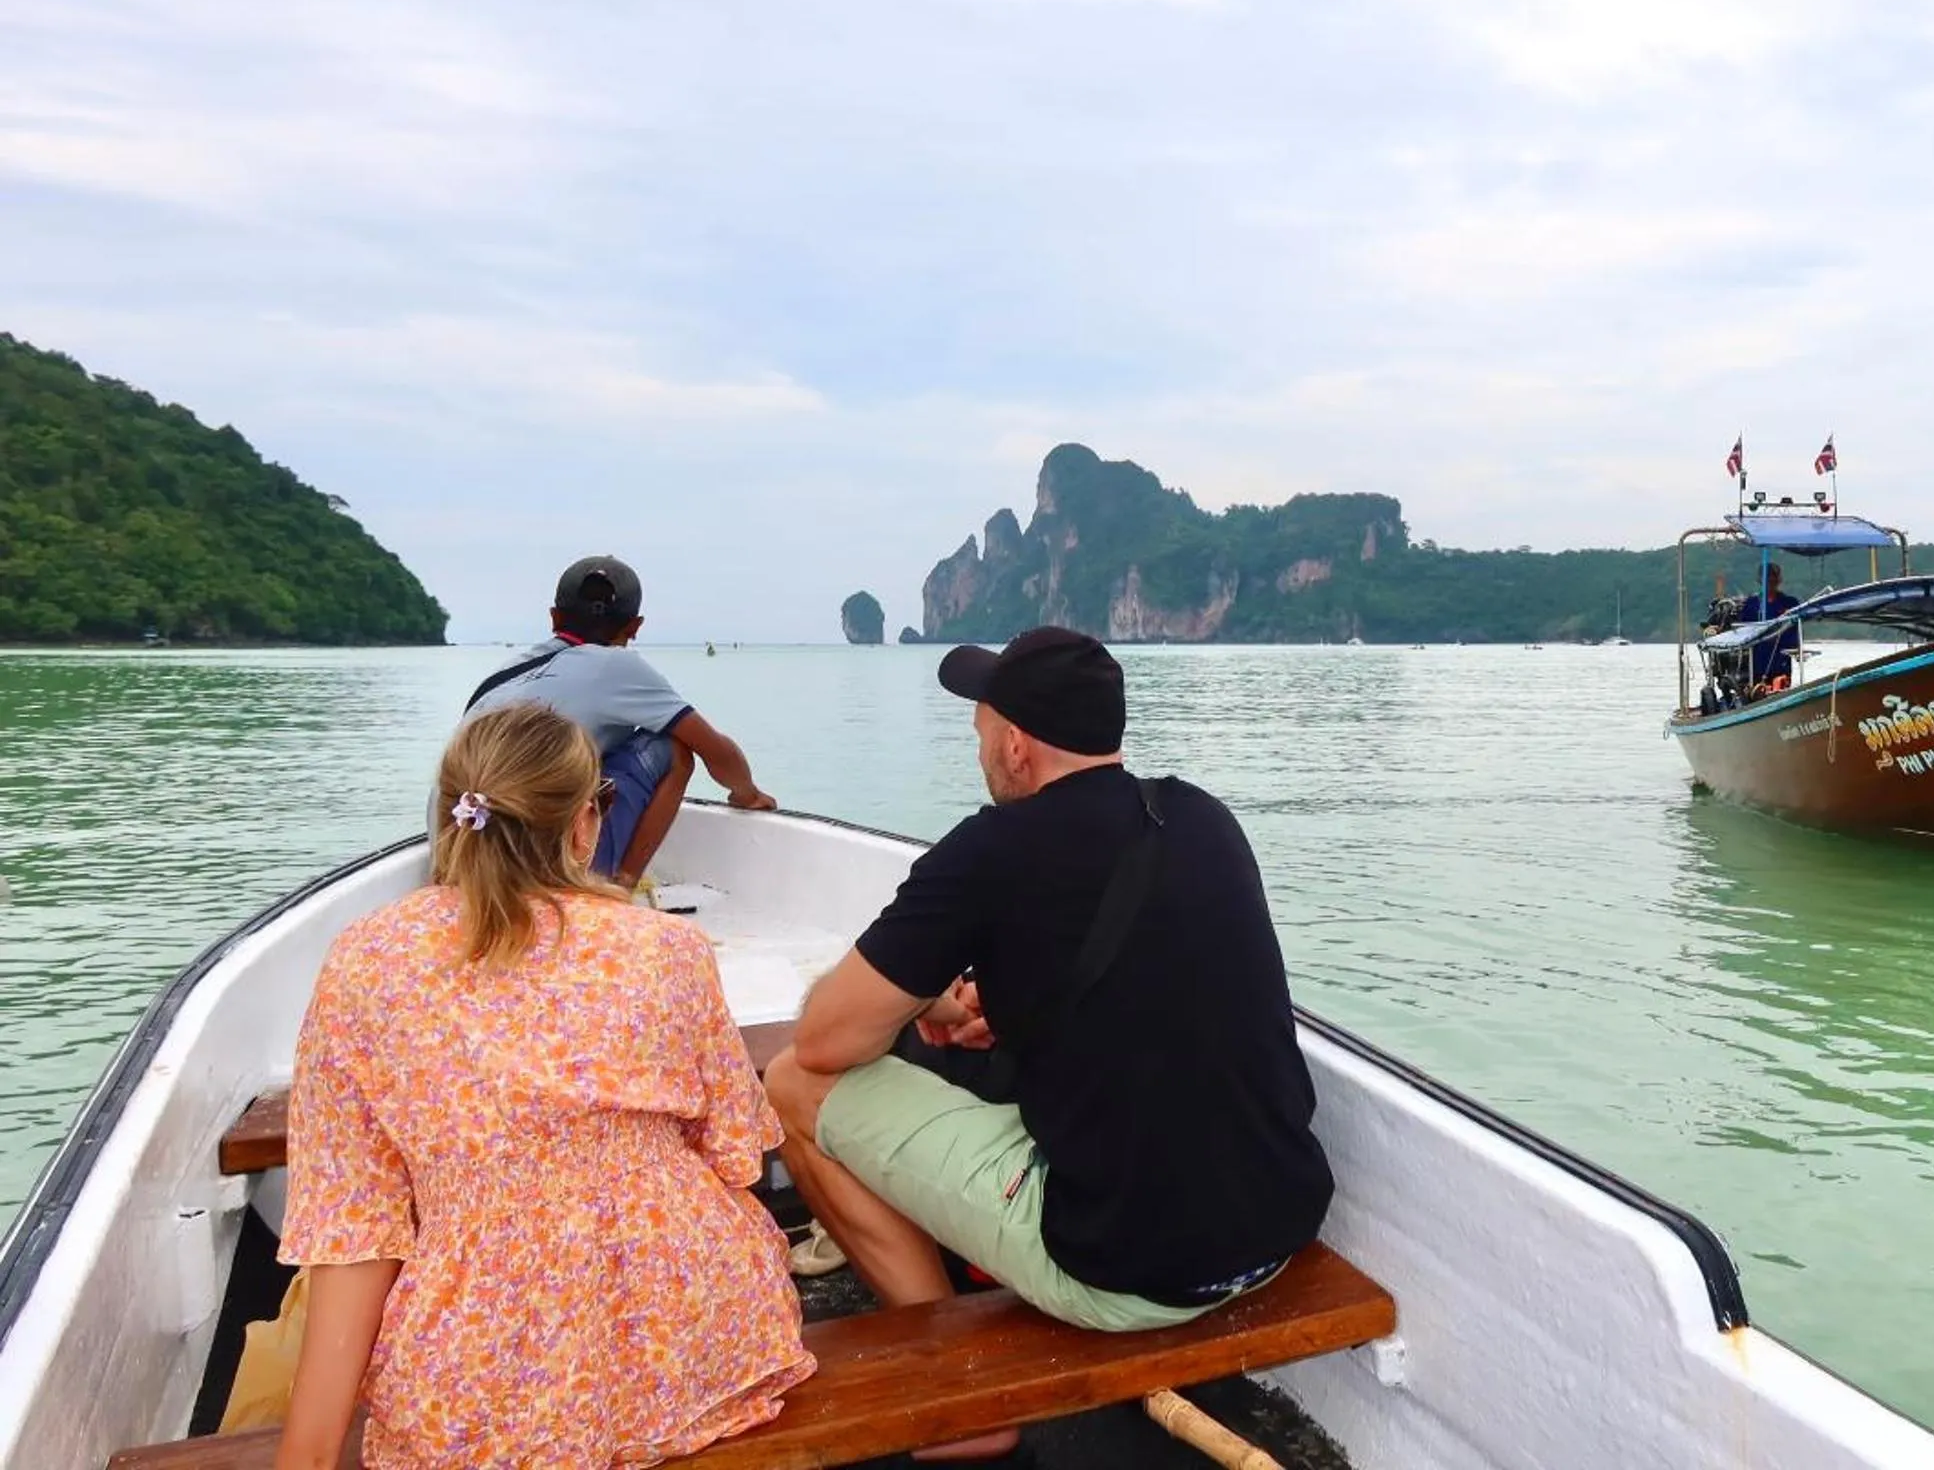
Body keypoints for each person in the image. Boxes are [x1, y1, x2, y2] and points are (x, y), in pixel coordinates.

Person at [762, 628, 1332, 1455]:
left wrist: (921, 996)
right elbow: (1152, 968)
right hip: (1272, 1232)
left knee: (790, 1087)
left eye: (982, 732)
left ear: (1017, 747)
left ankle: (969, 1399)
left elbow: (823, 1041)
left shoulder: (992, 849)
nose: (980, 749)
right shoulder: (1203, 817)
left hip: (1125, 1272)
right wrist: (985, 1000)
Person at [274, 703, 812, 1470]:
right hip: (697, 1334)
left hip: (484, 1371)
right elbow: (733, 1153)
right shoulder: (668, 948)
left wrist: (306, 1456)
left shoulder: (364, 960)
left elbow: (352, 1227)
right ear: (585, 823)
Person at [465, 555, 776, 886]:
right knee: (671, 746)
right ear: (635, 627)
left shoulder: (502, 675)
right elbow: (716, 751)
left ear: (554, 618)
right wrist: (747, 794)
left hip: (463, 849)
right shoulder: (616, 667)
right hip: (539, 868)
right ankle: (619, 886)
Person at [1743, 559, 1802, 691]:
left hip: (1781, 658)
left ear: (1779, 579)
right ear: (1760, 579)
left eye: (1774, 576)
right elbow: (1744, 630)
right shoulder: (1752, 603)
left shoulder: (1790, 603)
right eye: (1767, 576)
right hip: (1758, 660)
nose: (1770, 580)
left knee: (1780, 688)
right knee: (1758, 690)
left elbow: (1796, 630)